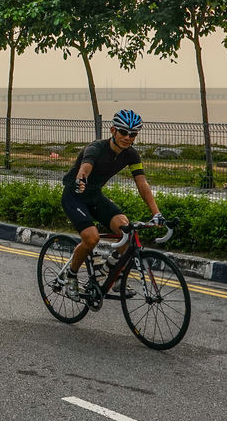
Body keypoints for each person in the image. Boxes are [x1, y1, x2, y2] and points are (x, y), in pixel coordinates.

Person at [58, 110, 164, 299]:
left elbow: (142, 183)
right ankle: (71, 275)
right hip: (74, 195)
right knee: (92, 238)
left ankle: (110, 273)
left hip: (95, 196)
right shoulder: (96, 148)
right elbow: (86, 167)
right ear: (113, 130)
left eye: (133, 134)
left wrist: (156, 213)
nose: (127, 138)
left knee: (127, 231)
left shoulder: (131, 155)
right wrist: (81, 179)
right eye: (123, 132)